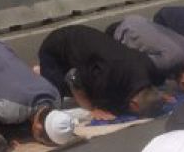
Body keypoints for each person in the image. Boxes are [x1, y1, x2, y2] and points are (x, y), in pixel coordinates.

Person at [37, 24, 166, 120]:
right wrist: (92, 109)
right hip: (55, 50)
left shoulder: (147, 68)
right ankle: (38, 74)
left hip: (83, 44)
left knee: (104, 97)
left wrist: (158, 97)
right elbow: (73, 78)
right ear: (134, 105)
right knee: (52, 103)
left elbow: (152, 90)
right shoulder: (107, 76)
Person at [108, 14, 184, 88]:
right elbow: (141, 63)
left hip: (136, 20)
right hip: (122, 32)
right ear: (183, 83)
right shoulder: (168, 62)